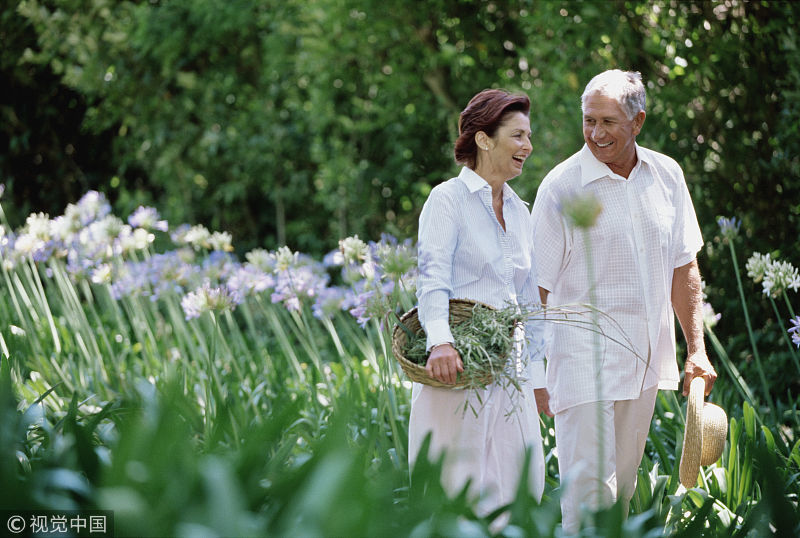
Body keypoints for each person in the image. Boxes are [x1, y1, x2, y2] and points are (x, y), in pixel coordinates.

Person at [529, 69, 717, 534]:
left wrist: (696, 349)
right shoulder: (560, 187)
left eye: (609, 122)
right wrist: (533, 373)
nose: (596, 133)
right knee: (589, 499)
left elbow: (683, 267)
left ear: (638, 122)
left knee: (622, 494)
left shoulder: (667, 175)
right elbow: (534, 290)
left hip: (645, 363)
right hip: (579, 365)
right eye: (589, 121)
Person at [408, 89, 547, 520]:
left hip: (512, 373)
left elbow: (528, 302)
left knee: (521, 484)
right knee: (457, 486)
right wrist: (440, 343)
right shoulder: (447, 199)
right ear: (484, 140)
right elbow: (432, 279)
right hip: (457, 369)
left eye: (528, 136)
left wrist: (539, 376)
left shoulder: (521, 212)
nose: (527, 146)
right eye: (517, 136)